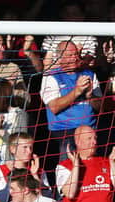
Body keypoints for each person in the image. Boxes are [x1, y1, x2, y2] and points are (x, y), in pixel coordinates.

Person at [40, 41, 102, 173]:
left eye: (75, 54)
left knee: (92, 169)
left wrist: (90, 96)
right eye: (69, 55)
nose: (74, 58)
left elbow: (101, 107)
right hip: (64, 133)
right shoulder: (50, 77)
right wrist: (78, 91)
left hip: (89, 130)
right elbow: (54, 107)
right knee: (68, 171)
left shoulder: (89, 74)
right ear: (59, 57)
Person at [55, 126, 115, 202]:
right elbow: (70, 193)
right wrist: (76, 165)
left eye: (95, 138)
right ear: (77, 141)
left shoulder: (106, 162)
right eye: (89, 138)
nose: (94, 142)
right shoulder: (64, 166)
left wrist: (112, 163)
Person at [0, 133, 49, 202]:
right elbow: (2, 199)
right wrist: (13, 174)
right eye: (25, 147)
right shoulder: (1, 170)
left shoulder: (38, 170)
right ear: (13, 149)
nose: (29, 151)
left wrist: (35, 176)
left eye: (31, 147)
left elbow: (48, 198)